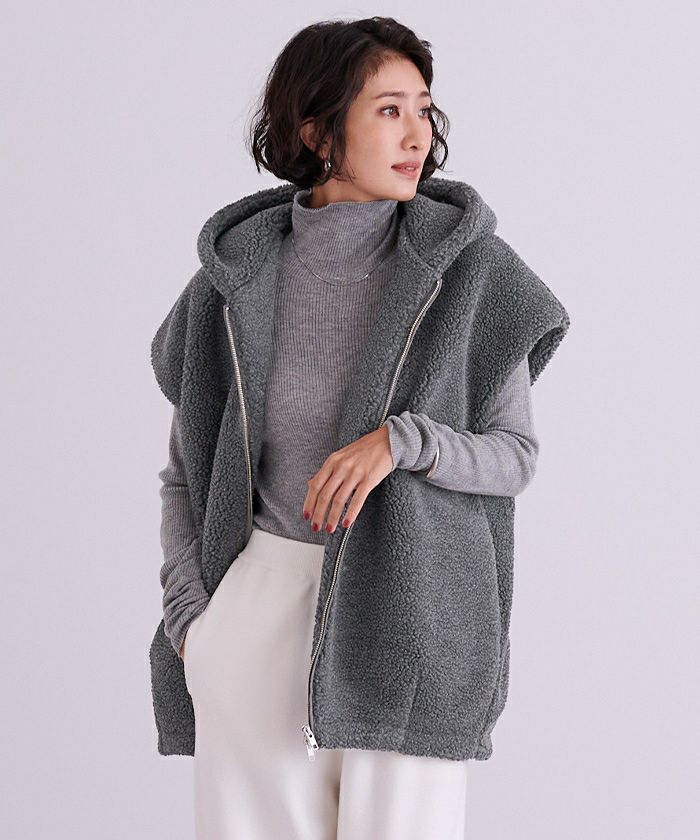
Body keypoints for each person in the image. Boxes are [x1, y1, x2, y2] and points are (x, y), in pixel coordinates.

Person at [149, 16, 570, 840]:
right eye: (388, 110)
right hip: (256, 617)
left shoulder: (474, 275)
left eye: (424, 109)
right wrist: (194, 620)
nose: (419, 135)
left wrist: (402, 442)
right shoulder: (234, 281)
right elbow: (184, 472)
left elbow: (515, 456)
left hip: (406, 620)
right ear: (316, 131)